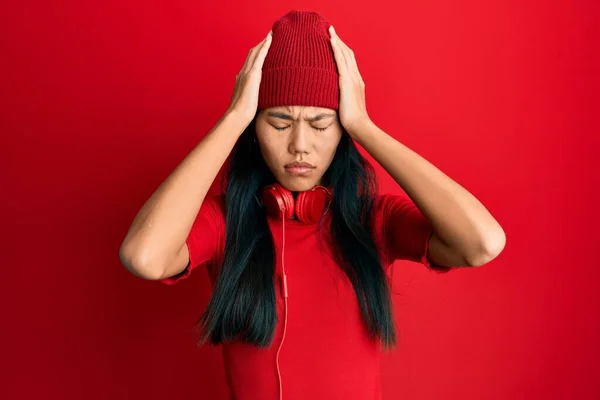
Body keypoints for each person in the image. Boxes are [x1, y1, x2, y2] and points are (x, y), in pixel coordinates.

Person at [119, 10, 506, 400]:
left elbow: (483, 242)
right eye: (279, 123)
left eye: (321, 124)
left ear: (341, 129)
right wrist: (234, 117)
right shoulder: (224, 223)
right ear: (255, 127)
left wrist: (364, 127)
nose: (300, 145)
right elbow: (144, 257)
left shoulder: (375, 220)